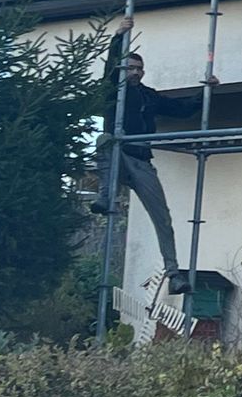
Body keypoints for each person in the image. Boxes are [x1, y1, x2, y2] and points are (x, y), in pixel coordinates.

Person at [91, 26, 217, 295]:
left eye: (139, 68)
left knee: (163, 218)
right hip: (119, 155)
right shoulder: (112, 90)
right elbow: (111, 66)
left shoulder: (149, 96)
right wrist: (118, 37)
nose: (135, 72)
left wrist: (206, 92)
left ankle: (174, 274)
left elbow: (180, 110)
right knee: (105, 141)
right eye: (130, 68)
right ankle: (105, 195)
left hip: (141, 160)